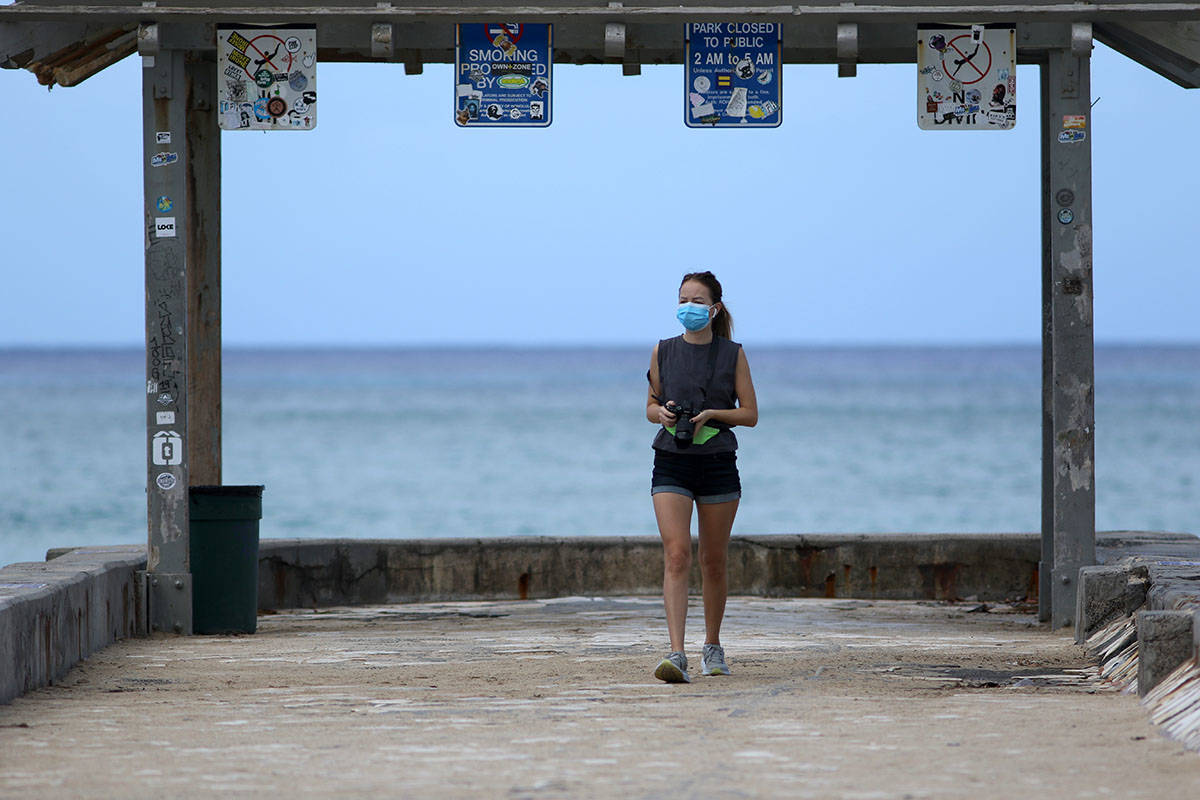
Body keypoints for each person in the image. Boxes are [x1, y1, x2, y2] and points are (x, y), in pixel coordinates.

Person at [645, 271, 758, 683]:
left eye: (697, 301)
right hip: (671, 458)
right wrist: (663, 414)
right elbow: (650, 405)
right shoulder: (663, 350)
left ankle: (712, 646)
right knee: (677, 554)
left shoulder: (733, 354)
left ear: (714, 308)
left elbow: (750, 414)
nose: (688, 307)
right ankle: (676, 653)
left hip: (717, 462)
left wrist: (712, 414)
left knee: (713, 560)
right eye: (683, 300)